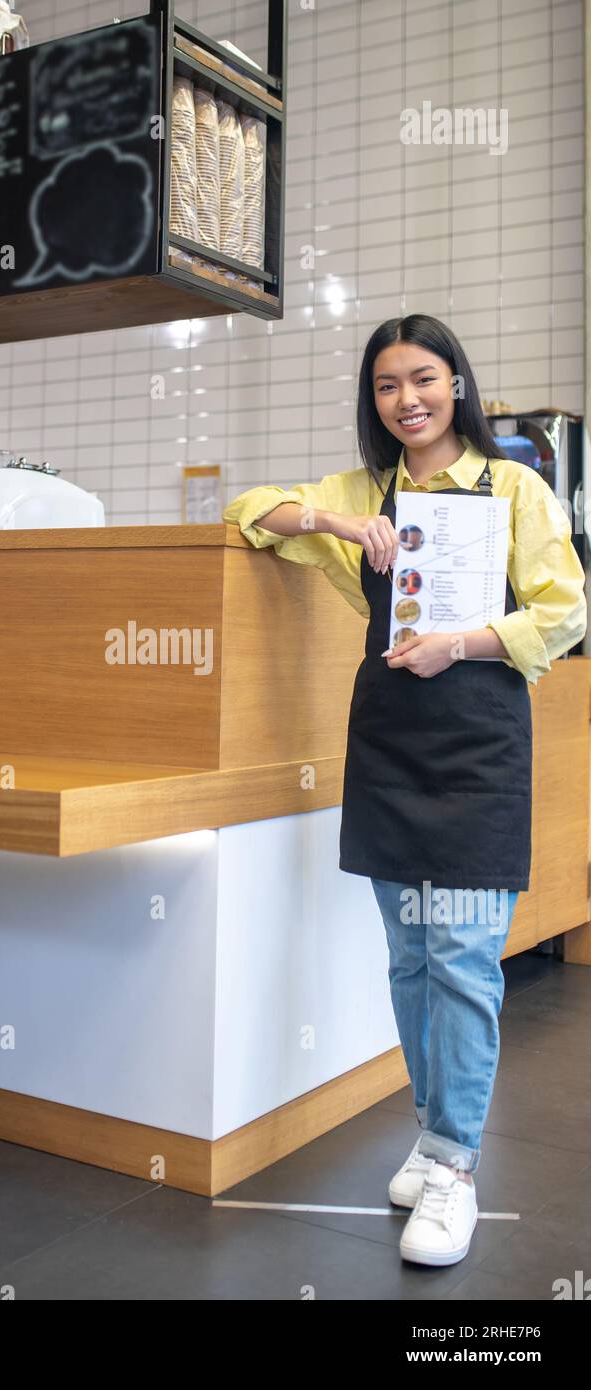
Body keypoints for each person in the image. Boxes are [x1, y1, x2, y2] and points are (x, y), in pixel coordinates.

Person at [222, 314, 587, 1267]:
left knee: (465, 959)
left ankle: (457, 1169)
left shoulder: (516, 488)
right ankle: (432, 1136)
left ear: (456, 382)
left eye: (423, 378)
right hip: (389, 747)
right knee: (410, 958)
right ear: (373, 400)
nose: (408, 399)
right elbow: (248, 509)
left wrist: (460, 642)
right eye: (387, 385)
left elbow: (565, 607)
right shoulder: (362, 491)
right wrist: (333, 521)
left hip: (476, 749)